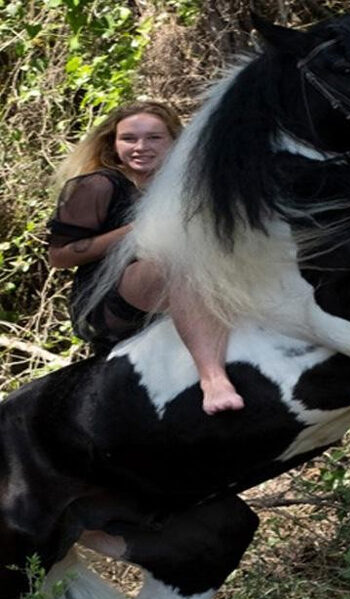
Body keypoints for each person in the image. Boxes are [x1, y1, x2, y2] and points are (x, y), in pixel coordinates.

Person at [48, 101, 244, 415]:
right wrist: (134, 230)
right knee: (176, 263)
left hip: (176, 293)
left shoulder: (185, 187)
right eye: (129, 138)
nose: (141, 147)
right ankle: (213, 379)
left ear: (174, 141)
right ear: (113, 144)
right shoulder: (98, 185)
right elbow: (58, 256)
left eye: (154, 138)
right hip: (107, 301)